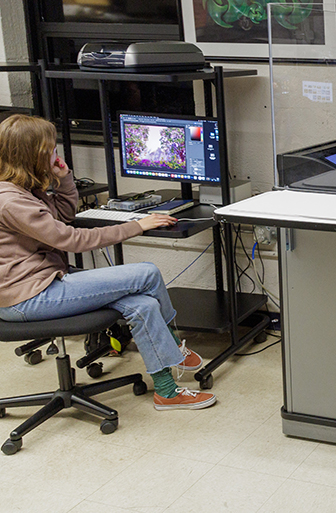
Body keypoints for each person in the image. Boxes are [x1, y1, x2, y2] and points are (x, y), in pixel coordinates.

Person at [0, 114, 217, 411]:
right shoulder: (12, 201)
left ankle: (167, 392)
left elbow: (62, 215)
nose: (55, 154)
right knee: (147, 274)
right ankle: (175, 344)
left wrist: (63, 178)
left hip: (42, 284)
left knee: (143, 305)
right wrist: (137, 226)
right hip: (29, 298)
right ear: (33, 155)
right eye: (50, 149)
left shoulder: (24, 189)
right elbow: (71, 239)